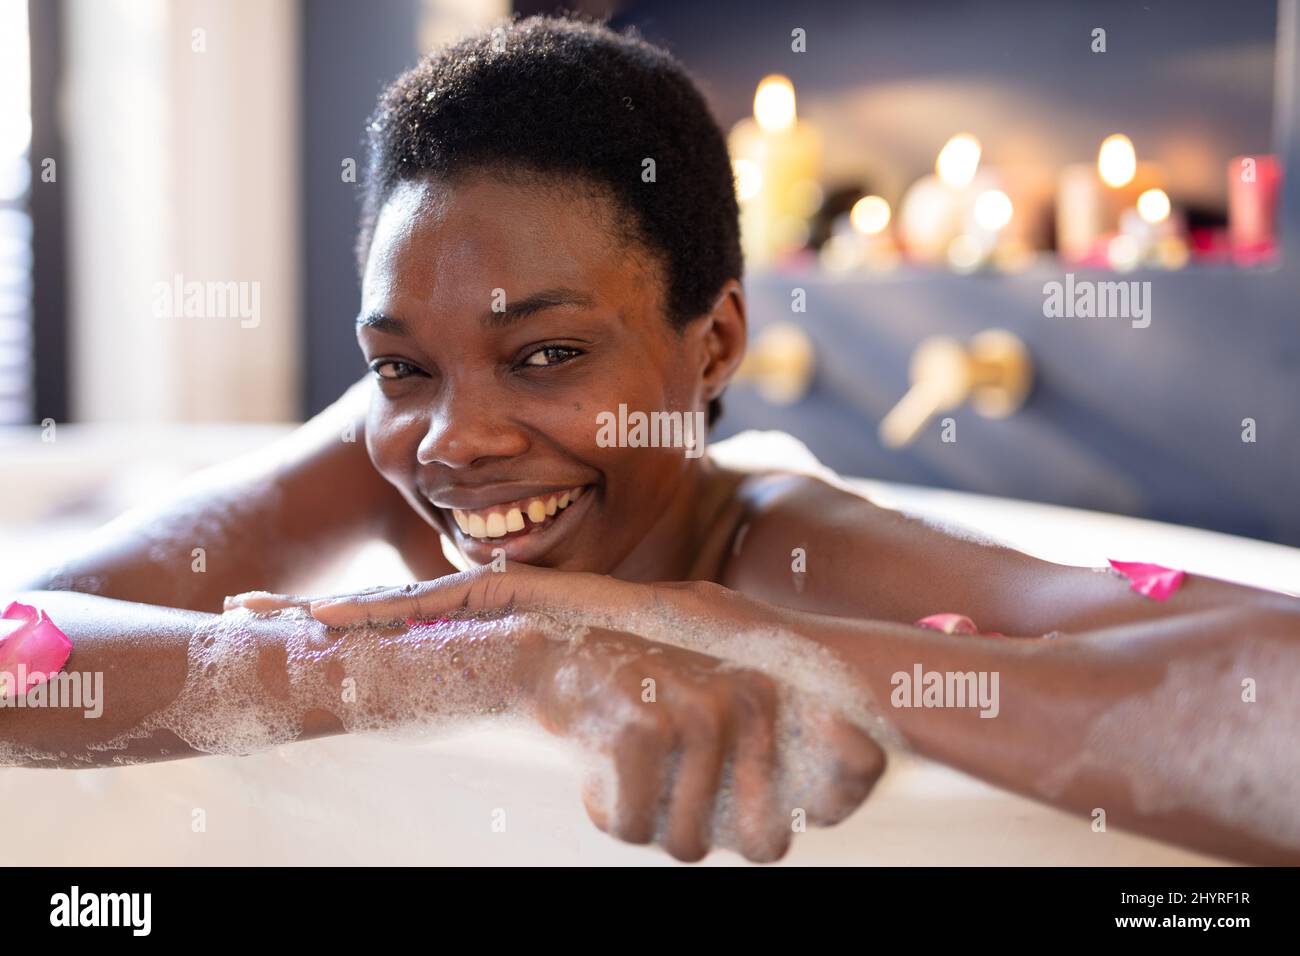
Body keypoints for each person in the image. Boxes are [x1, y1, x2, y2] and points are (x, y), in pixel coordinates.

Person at [8, 15, 1298, 865]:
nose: (455, 438)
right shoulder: (386, 449)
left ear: (715, 345)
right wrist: (500, 659)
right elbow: (22, 658)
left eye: (549, 354)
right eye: (401, 363)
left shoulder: (784, 543)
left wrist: (737, 633)